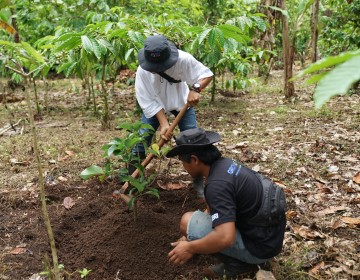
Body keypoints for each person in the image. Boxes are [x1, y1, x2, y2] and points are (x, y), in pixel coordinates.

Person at [166, 128, 287, 278]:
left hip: (259, 249)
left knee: (187, 222)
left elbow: (225, 237)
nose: (183, 167)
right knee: (194, 227)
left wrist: (190, 247)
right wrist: (193, 235)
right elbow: (216, 207)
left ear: (195, 160)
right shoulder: (226, 165)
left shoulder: (217, 185)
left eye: (183, 162)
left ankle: (237, 264)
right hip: (269, 238)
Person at [129, 35, 213, 197]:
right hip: (155, 108)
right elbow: (147, 100)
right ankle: (132, 182)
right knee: (140, 141)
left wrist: (195, 89)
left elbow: (206, 74)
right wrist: (164, 123)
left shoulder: (184, 60)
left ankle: (198, 184)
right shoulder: (143, 71)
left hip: (181, 104)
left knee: (193, 142)